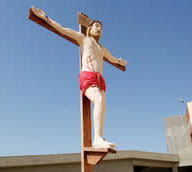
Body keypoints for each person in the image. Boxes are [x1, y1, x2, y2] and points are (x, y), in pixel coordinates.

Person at [32, 7, 127, 149]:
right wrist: (46, 18)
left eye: (101, 27)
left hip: (99, 80)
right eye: (96, 26)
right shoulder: (83, 39)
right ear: (89, 28)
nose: (99, 28)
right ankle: (97, 139)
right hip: (87, 76)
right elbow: (63, 29)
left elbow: (112, 58)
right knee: (99, 101)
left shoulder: (102, 49)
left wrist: (120, 62)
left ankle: (100, 137)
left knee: (102, 105)